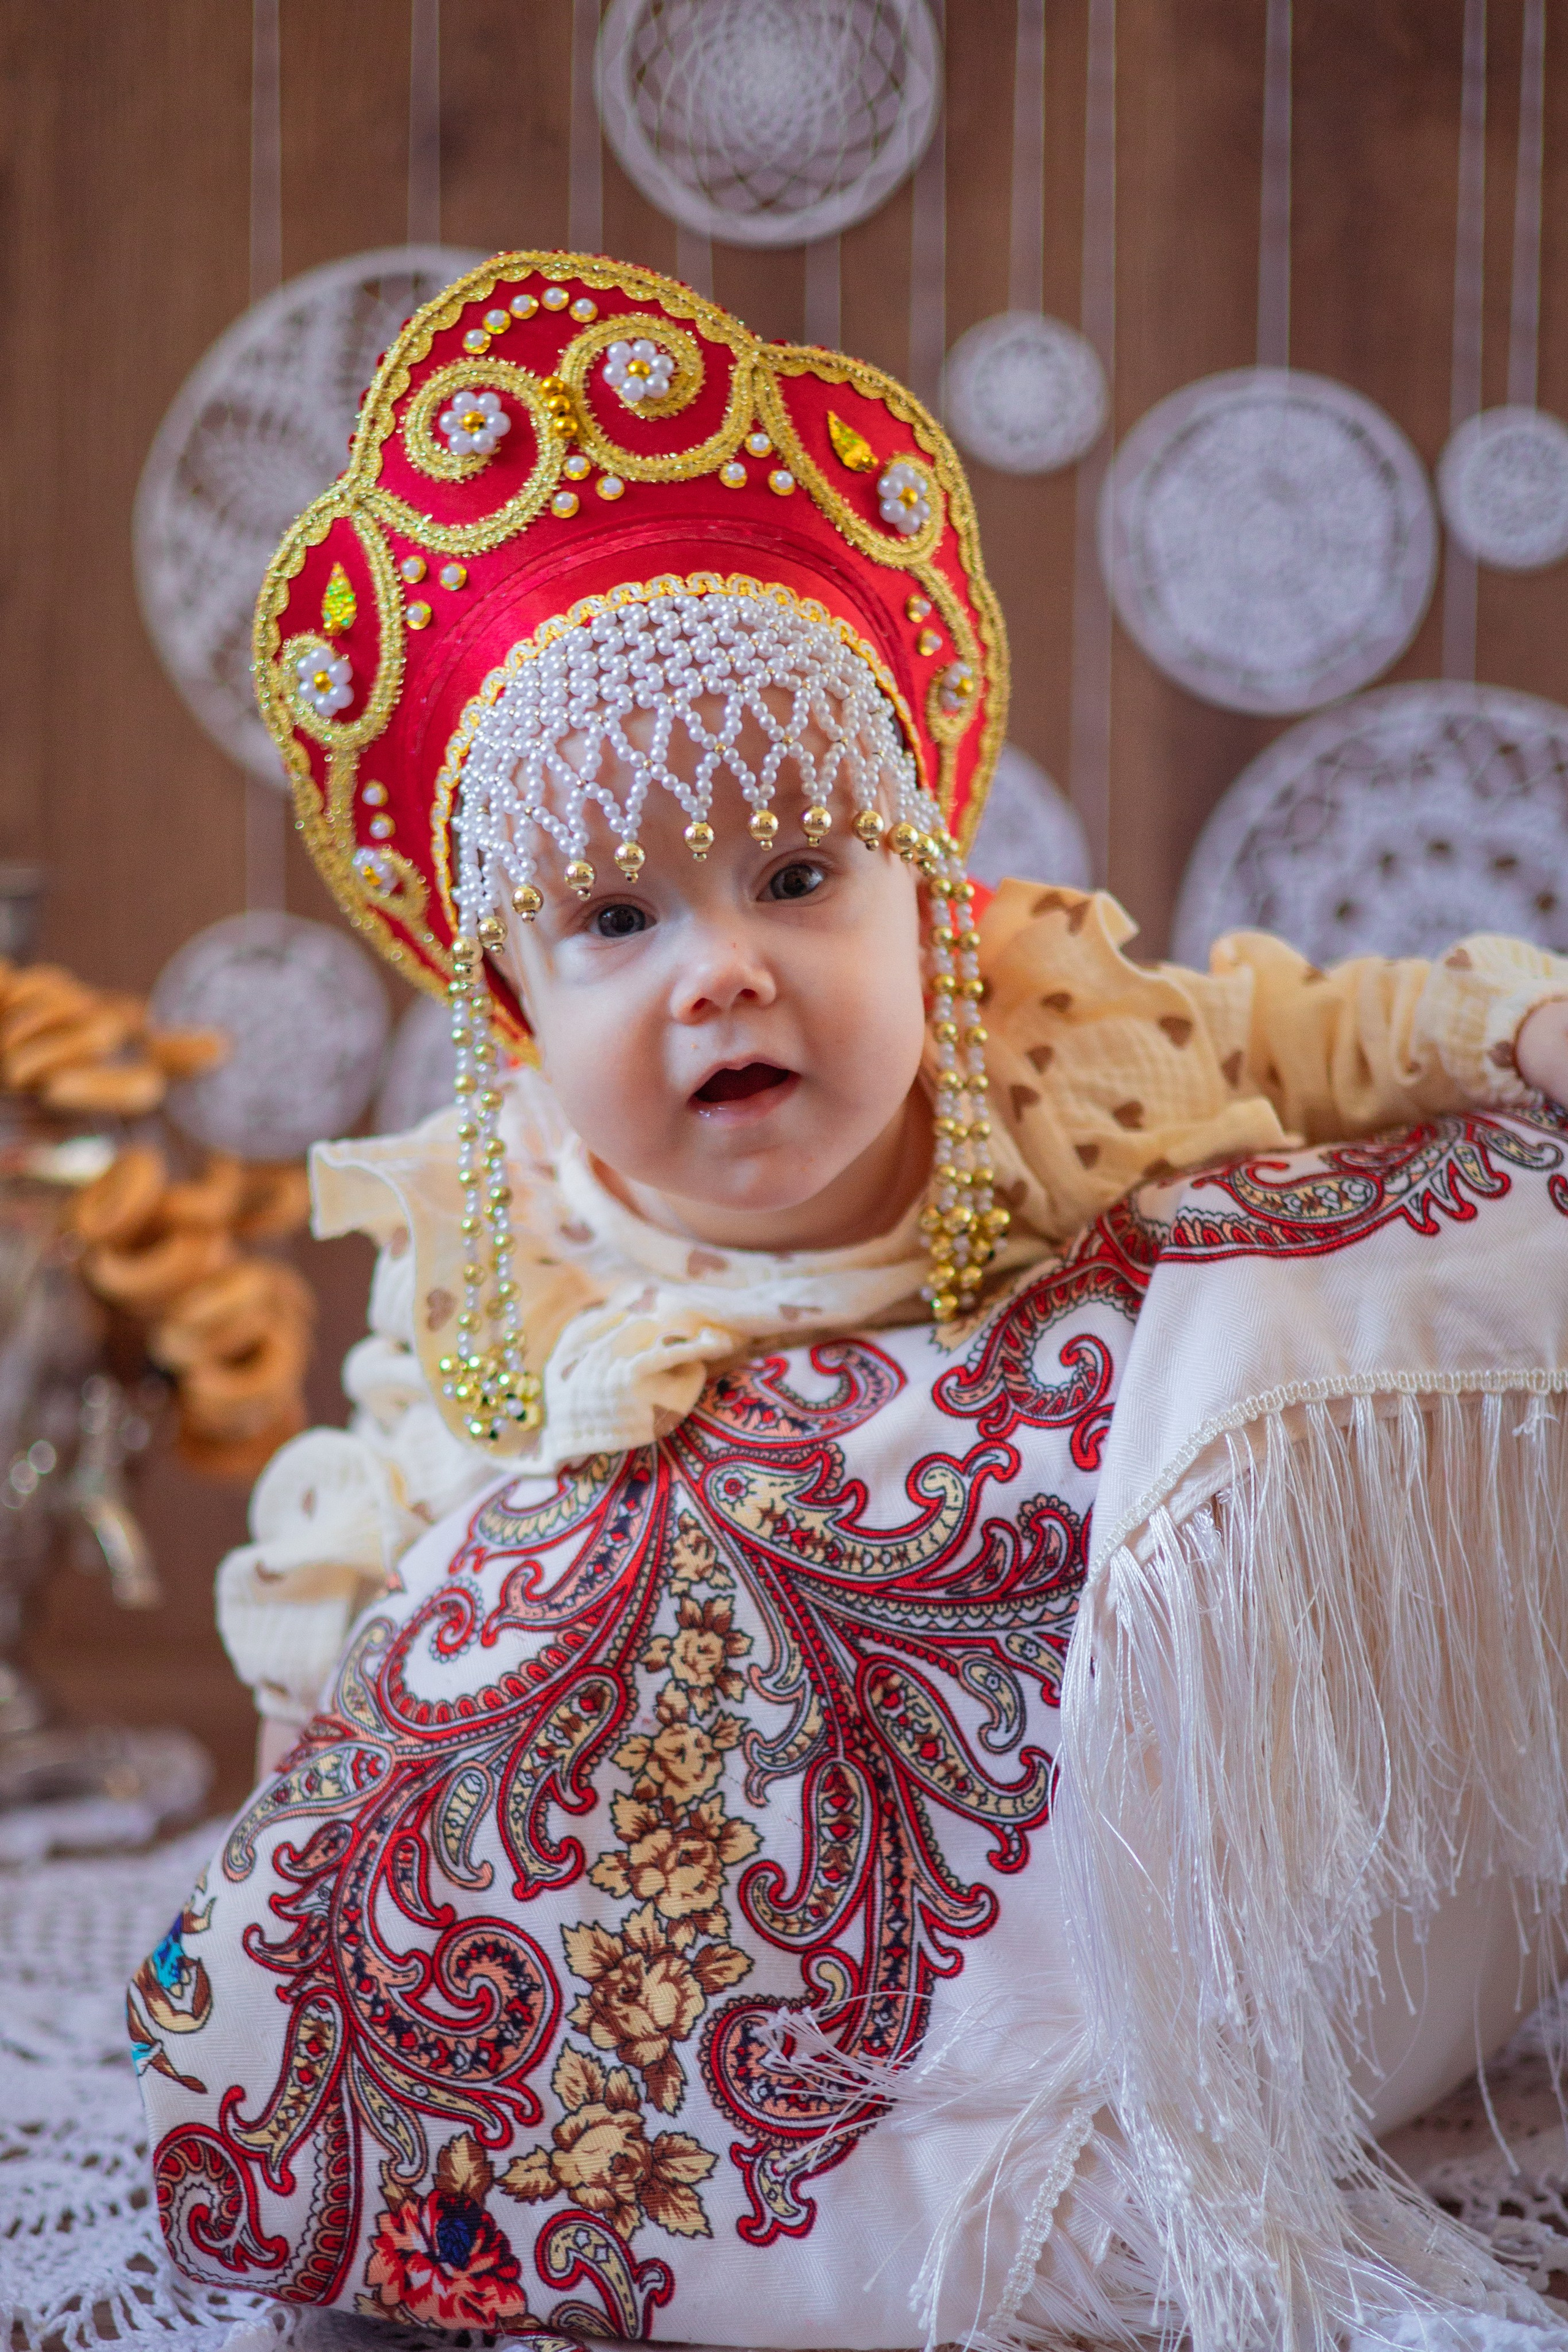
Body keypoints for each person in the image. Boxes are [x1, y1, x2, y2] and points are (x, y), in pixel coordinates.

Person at [134, 252, 1568, 2350]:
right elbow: (386, 1458)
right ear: (513, 1010)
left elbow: (1330, 1029)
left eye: (796, 877)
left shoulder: (1059, 1045)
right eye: (618, 919)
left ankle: (1215, 2044)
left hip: (1077, 1755)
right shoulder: (523, 1224)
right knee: (498, 1617)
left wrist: (1517, 1038)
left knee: (1328, 1242)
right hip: (745, 1833)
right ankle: (737, 2174)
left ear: (931, 899)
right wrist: (332, 1675)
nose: (723, 965)